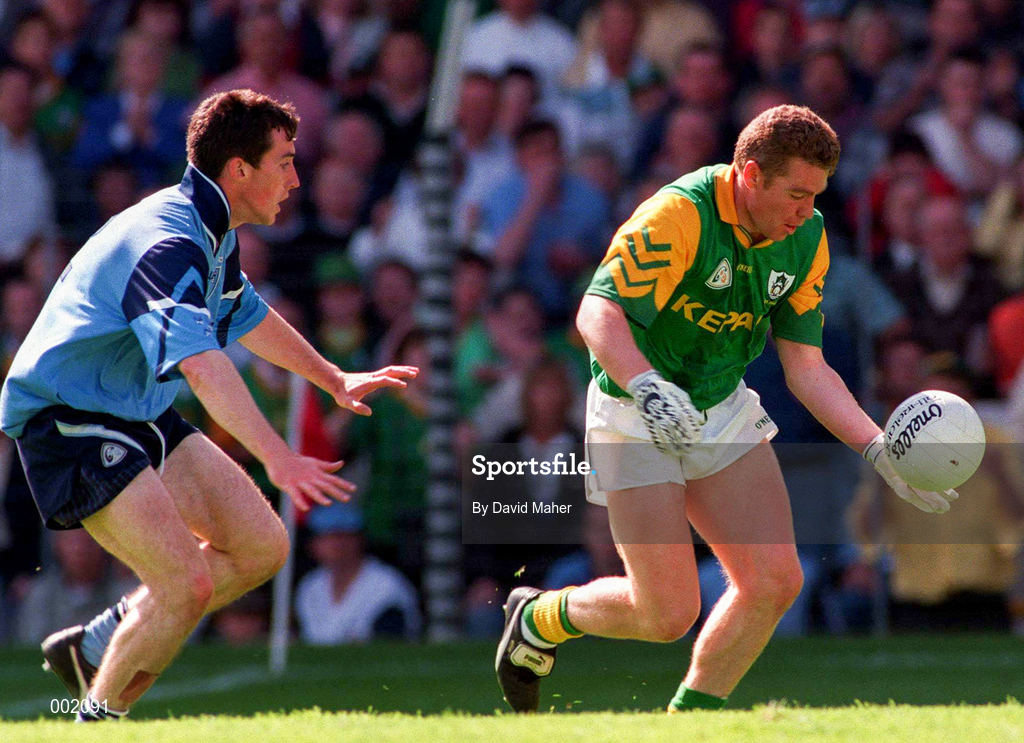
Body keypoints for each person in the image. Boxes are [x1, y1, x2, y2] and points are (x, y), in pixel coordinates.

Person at [494, 105, 958, 714]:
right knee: (666, 614)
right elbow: (594, 314)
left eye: (815, 195)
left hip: (721, 405)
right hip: (636, 410)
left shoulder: (806, 238)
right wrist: (647, 386)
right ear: (748, 174)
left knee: (774, 582)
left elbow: (807, 368)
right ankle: (539, 616)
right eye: (795, 193)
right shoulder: (680, 214)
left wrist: (878, 449)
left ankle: (692, 723)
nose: (806, 210)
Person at [0, 89, 417, 721]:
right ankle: (94, 723)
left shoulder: (211, 231)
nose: (296, 178)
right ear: (239, 170)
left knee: (262, 547)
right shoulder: (169, 245)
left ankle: (99, 641)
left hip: (134, 410)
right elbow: (200, 363)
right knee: (185, 588)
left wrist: (332, 377)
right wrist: (277, 457)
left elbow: (247, 317)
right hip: (65, 421)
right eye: (284, 162)